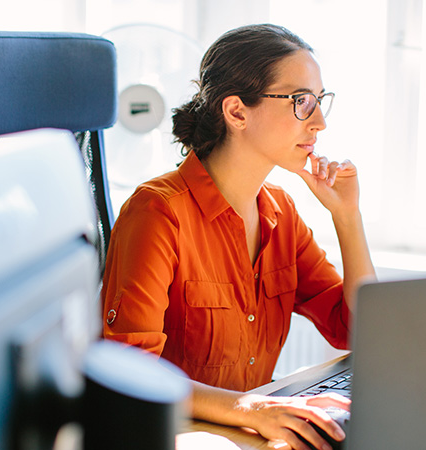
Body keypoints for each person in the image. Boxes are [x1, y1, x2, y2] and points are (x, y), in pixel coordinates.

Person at [101, 23, 376, 450]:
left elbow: (357, 331)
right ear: (237, 113)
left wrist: (347, 215)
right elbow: (129, 375)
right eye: (301, 102)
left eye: (321, 102)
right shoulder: (157, 212)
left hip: (251, 438)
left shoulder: (280, 212)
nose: (319, 122)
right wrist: (249, 408)